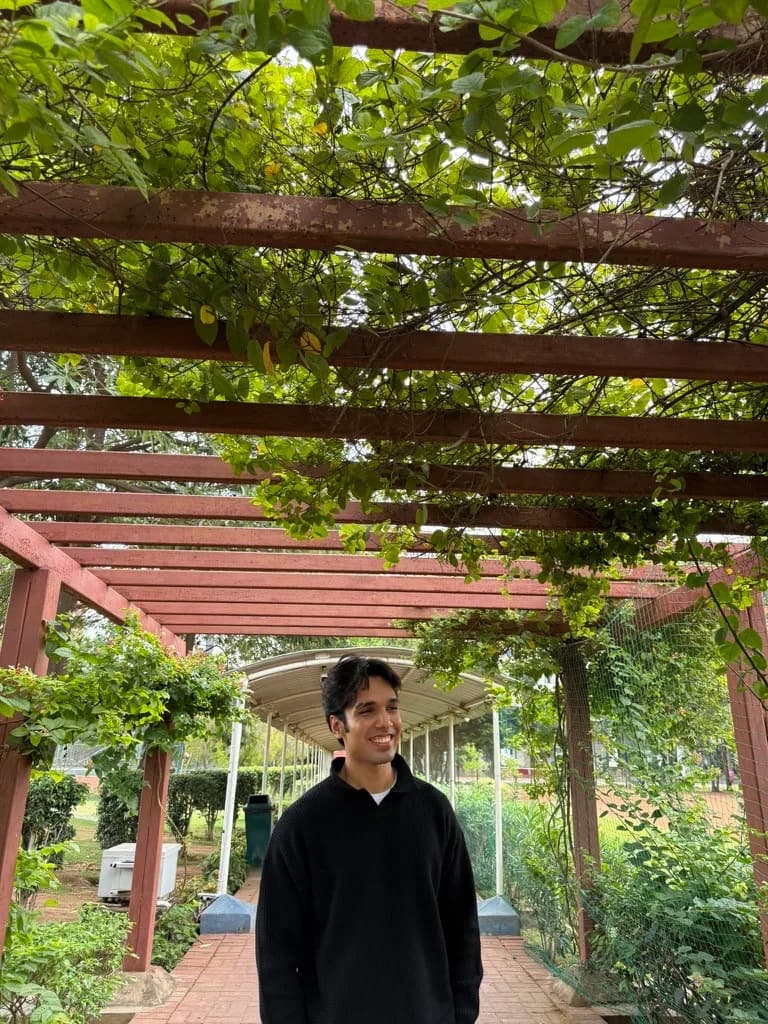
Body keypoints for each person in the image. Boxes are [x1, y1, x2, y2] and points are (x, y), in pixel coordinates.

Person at [255, 654, 483, 1024]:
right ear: (337, 725)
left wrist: (461, 1012)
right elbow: (276, 952)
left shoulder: (433, 812)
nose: (385, 722)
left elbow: (462, 926)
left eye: (392, 707)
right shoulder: (302, 826)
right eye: (366, 710)